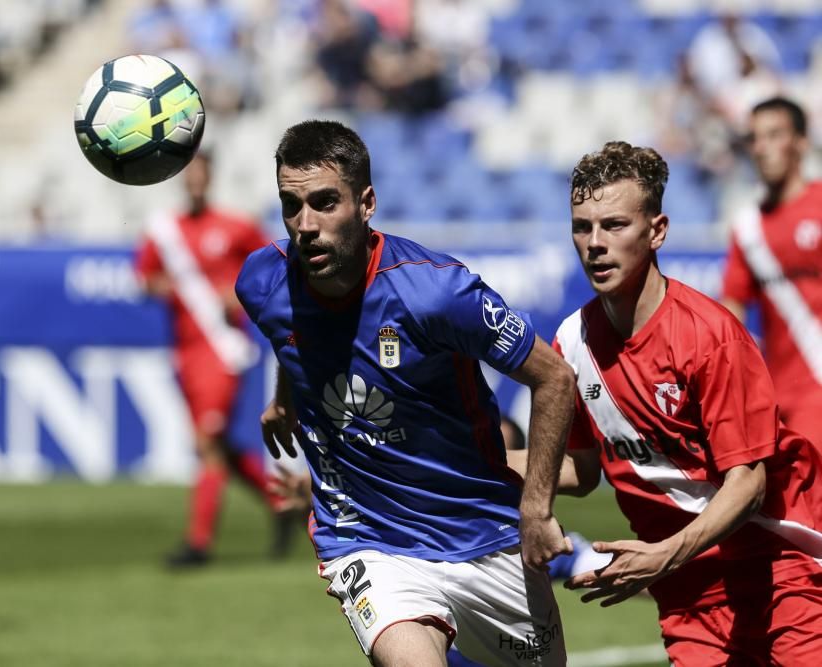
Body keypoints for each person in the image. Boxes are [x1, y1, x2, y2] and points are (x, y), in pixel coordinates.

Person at [236, 119, 575, 667]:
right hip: (366, 539)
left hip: (483, 534)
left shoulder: (436, 292)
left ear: (366, 203)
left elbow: (554, 378)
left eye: (325, 202)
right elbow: (287, 330)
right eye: (291, 206)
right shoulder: (261, 279)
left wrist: (535, 510)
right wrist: (286, 395)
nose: (305, 225)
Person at [524, 140, 822, 665]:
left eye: (614, 225)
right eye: (582, 226)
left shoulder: (712, 338)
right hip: (688, 590)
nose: (595, 243)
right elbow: (579, 468)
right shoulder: (571, 343)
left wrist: (661, 556)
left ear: (656, 231)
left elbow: (748, 485)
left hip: (781, 566)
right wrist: (461, 458)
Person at [135, 152, 286, 567]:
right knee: (216, 445)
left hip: (222, 352)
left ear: (211, 176)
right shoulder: (166, 231)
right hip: (185, 351)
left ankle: (198, 543)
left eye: (201, 172)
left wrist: (237, 293)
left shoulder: (236, 226)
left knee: (206, 445)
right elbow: (144, 279)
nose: (195, 181)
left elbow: (275, 266)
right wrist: (159, 285)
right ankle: (283, 503)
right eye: (189, 174)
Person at [721, 96, 822, 449]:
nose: (761, 148)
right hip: (774, 400)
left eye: (774, 135)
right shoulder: (748, 227)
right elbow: (732, 305)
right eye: (754, 138)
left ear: (801, 141)